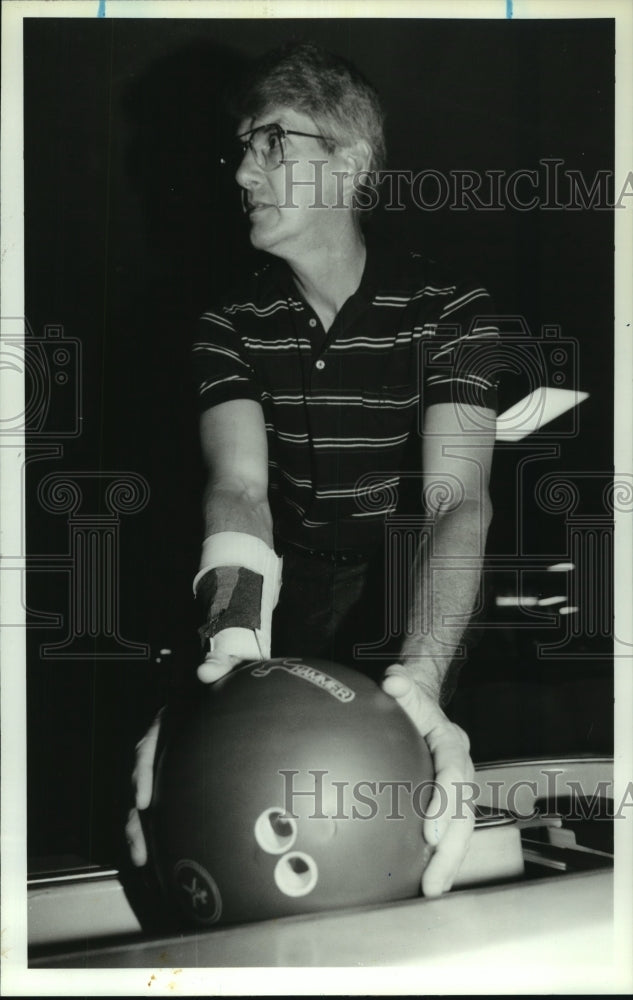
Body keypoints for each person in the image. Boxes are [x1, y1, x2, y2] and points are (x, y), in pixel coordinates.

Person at [126, 41, 499, 900]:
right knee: (259, 776)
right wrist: (228, 652)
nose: (242, 173)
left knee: (396, 783)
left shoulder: (453, 311)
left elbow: (457, 504)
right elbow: (240, 490)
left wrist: (422, 677)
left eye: (271, 144)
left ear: (350, 163)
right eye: (241, 150)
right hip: (291, 576)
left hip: (408, 570)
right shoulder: (228, 323)